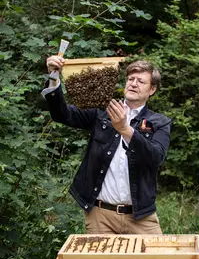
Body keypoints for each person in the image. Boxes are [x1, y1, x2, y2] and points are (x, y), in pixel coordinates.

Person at [43, 56, 171, 234]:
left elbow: (155, 157)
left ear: (152, 89)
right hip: (100, 216)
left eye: (141, 81)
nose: (133, 84)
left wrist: (125, 129)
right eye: (130, 79)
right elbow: (63, 115)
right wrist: (54, 76)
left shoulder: (159, 122)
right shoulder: (103, 112)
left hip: (141, 217)